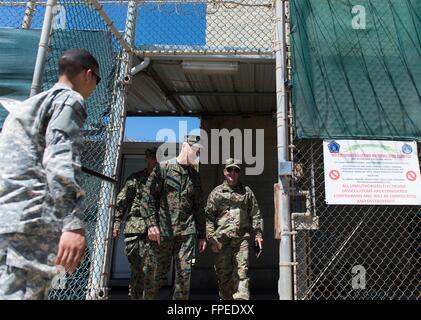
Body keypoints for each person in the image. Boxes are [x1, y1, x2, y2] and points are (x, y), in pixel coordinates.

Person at [0, 48, 100, 299]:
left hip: (9, 219)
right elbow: (60, 159)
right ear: (88, 75)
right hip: (33, 222)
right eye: (97, 81)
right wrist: (72, 223)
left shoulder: (26, 107)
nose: (95, 87)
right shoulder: (70, 99)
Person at [146, 135, 207, 300]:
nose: (197, 153)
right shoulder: (164, 168)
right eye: (195, 149)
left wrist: (202, 235)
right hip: (162, 233)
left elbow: (199, 208)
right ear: (184, 146)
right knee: (154, 276)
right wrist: (152, 224)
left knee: (184, 279)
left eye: (200, 151)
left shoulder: (195, 176)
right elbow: (148, 198)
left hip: (186, 234)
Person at [206, 158, 264, 300]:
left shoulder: (246, 192)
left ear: (239, 173)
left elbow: (256, 214)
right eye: (230, 169)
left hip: (241, 240)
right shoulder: (216, 193)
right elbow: (208, 218)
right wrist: (211, 239)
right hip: (221, 241)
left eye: (236, 170)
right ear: (225, 172)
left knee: (241, 274)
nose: (233, 172)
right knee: (224, 278)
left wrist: (258, 234)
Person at [112, 147, 159, 300]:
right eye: (152, 158)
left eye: (157, 158)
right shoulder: (135, 179)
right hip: (136, 231)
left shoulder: (164, 181)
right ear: (147, 159)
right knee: (137, 272)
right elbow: (122, 201)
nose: (155, 161)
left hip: (156, 232)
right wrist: (117, 223)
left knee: (152, 272)